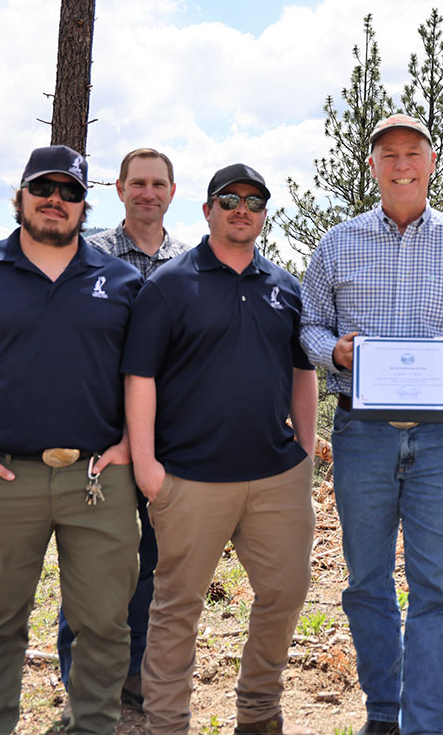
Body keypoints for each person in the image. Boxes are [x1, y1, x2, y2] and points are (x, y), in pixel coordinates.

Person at [0, 145, 143, 735]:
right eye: (43, 188)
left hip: (99, 481)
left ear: (83, 206)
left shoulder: (123, 281)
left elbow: (141, 376)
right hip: (3, 478)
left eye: (70, 192)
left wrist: (129, 446)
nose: (55, 200)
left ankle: (93, 726)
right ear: (20, 196)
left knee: (105, 625)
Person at [300, 114, 443, 735]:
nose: (402, 164)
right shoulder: (337, 244)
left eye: (414, 153)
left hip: (441, 438)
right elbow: (309, 326)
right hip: (362, 435)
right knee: (366, 582)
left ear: (432, 162)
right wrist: (334, 352)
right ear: (373, 166)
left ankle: (425, 722)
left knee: (435, 586)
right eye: (389, 155)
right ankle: (384, 711)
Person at [123, 163, 318, 735]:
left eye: (254, 202)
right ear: (207, 210)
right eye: (229, 199)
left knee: (284, 594)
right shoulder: (169, 286)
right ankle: (167, 724)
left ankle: (258, 713)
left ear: (264, 215)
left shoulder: (285, 287)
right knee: (176, 608)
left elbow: (302, 370)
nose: (242, 210)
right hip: (190, 479)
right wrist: (146, 466)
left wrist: (306, 450)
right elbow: (140, 377)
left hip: (276, 478)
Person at [57, 147, 190, 711]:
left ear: (173, 192)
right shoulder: (88, 257)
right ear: (118, 189)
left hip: (170, 440)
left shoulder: (191, 262)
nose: (148, 193)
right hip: (101, 437)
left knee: (154, 563)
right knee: (94, 564)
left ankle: (135, 672)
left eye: (158, 184)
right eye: (138, 183)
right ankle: (83, 681)